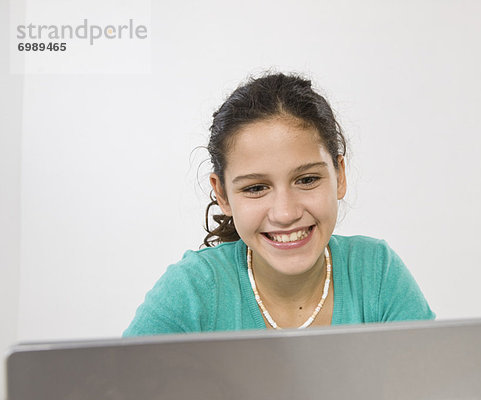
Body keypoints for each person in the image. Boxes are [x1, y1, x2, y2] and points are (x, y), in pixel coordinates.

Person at [124, 73, 434, 336]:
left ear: (339, 176)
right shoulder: (192, 290)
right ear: (222, 195)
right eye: (256, 188)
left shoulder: (377, 272)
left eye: (307, 180)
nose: (286, 213)